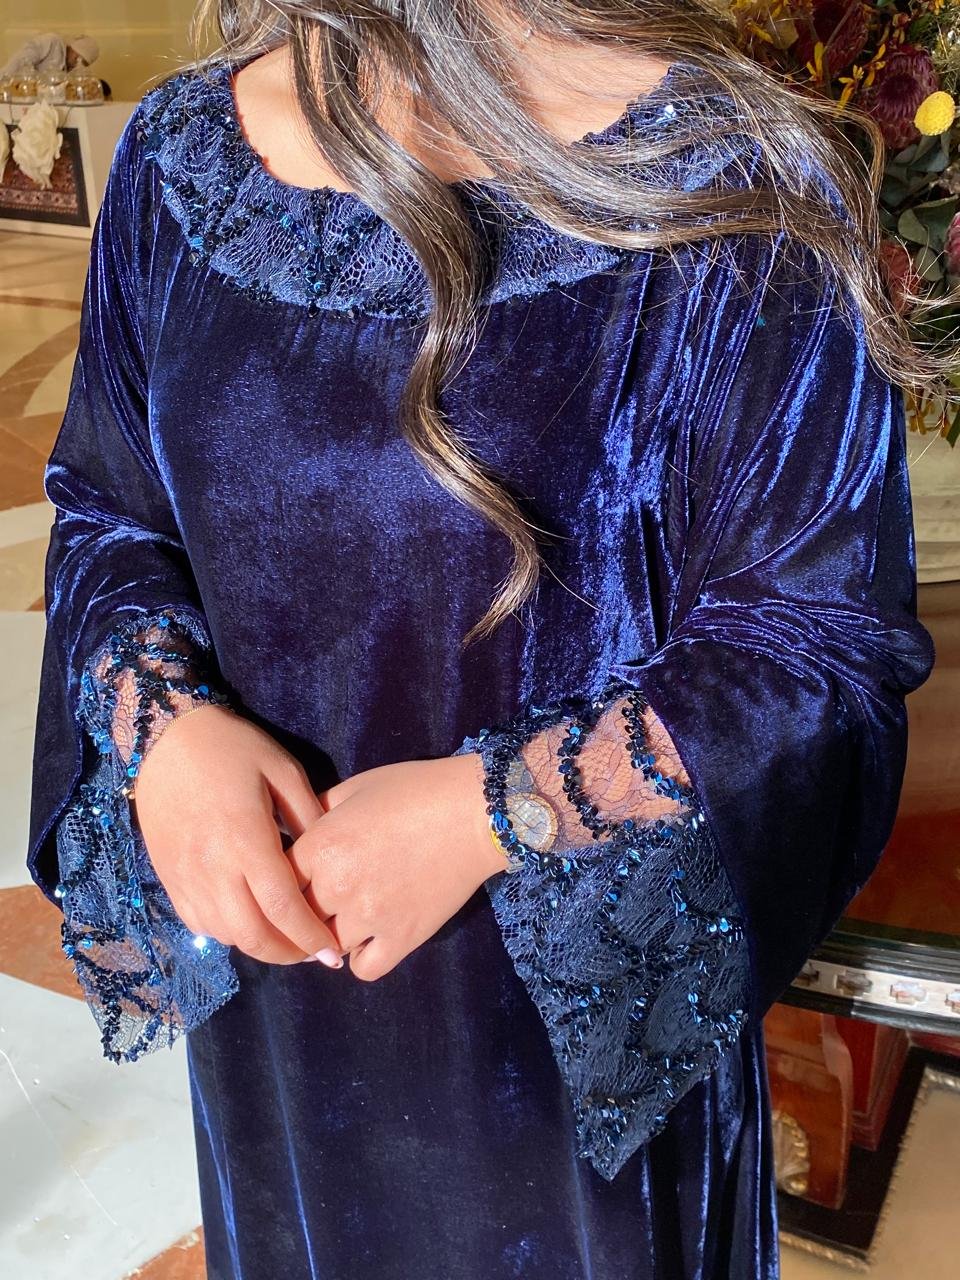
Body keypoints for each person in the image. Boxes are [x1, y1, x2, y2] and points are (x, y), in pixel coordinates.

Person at [27, 2, 945, 1277]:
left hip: (571, 1026)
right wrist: (164, 731)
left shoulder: (741, 182)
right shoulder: (183, 160)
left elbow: (814, 652)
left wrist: (491, 811)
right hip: (281, 1006)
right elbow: (109, 506)